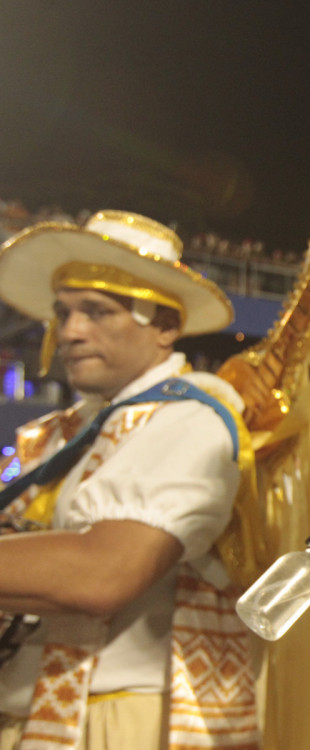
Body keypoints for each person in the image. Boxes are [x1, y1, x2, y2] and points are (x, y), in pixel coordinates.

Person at [0, 211, 259, 749]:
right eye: (64, 312)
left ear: (165, 326)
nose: (70, 331)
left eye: (97, 311)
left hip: (121, 725)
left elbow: (104, 574)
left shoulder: (193, 416)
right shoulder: (57, 433)